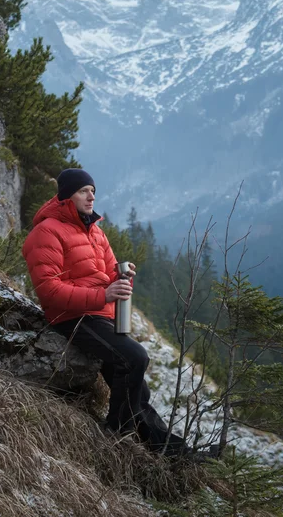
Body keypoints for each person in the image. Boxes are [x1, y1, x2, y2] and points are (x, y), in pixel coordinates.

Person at [22, 168, 186, 456]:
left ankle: (170, 451)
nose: (91, 196)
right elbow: (49, 291)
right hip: (73, 317)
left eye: (93, 191)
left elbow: (109, 273)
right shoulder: (45, 232)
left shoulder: (94, 230)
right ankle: (115, 436)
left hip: (101, 314)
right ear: (65, 196)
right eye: (83, 190)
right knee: (135, 357)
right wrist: (103, 295)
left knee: (138, 389)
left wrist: (122, 278)